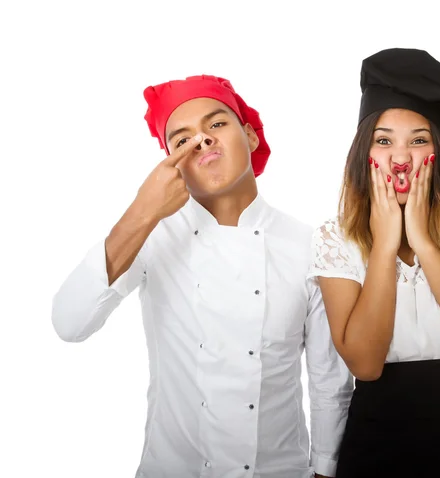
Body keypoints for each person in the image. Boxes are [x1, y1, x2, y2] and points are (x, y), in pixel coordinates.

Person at [52, 74, 353, 478]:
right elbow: (69, 323)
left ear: (249, 135)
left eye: (216, 124)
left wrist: (325, 470)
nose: (202, 141)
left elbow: (329, 381)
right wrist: (142, 211)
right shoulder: (152, 234)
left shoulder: (309, 245)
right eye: (182, 140)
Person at [308, 48, 440, 477]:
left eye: (418, 140)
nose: (400, 158)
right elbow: (364, 364)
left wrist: (422, 239)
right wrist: (384, 247)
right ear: (364, 152)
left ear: (436, 151)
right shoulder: (335, 237)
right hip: (379, 434)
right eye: (384, 141)